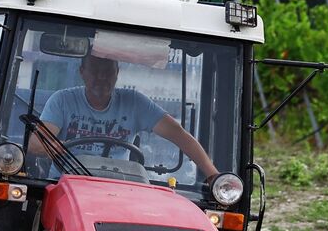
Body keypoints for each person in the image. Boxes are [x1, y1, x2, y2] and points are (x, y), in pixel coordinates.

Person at [37, 51, 219, 180]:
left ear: (117, 74)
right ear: (82, 72)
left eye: (108, 71)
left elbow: (178, 135)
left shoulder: (134, 103)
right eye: (95, 70)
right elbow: (36, 144)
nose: (101, 77)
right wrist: (55, 146)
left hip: (118, 186)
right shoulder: (62, 101)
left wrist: (213, 176)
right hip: (66, 183)